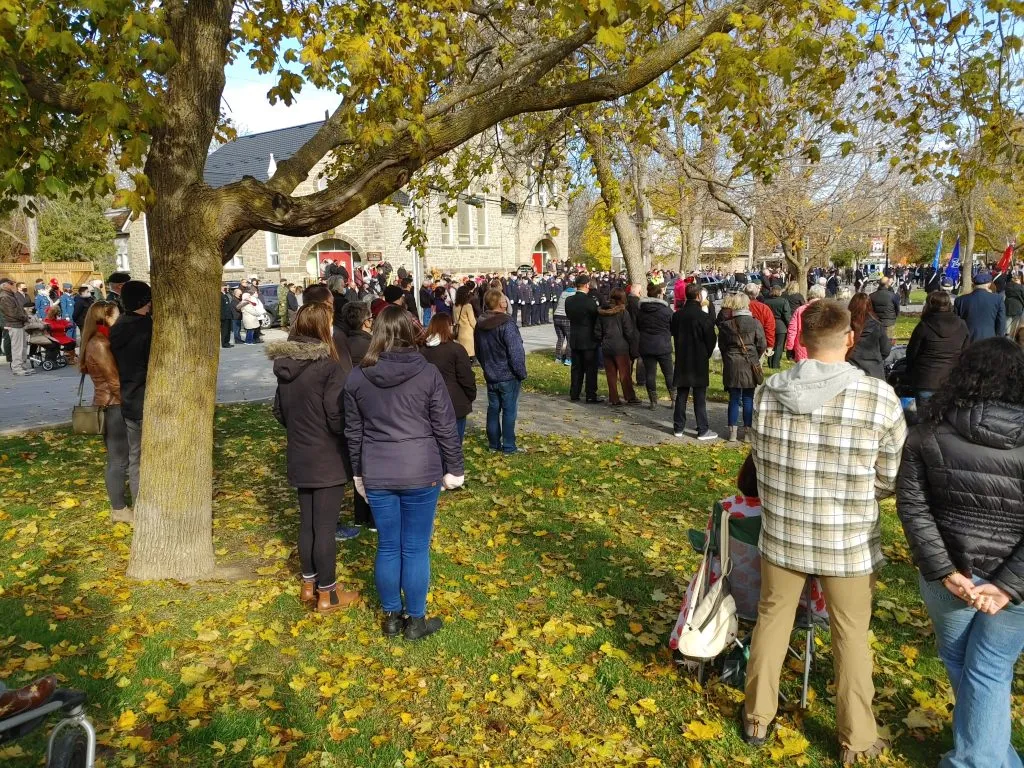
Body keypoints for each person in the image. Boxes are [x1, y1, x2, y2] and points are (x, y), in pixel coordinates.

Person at [743, 300, 906, 763]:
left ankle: (758, 715)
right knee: (850, 636)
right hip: (846, 541)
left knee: (773, 623)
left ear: (801, 341)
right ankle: (855, 738)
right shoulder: (877, 397)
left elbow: (761, 458)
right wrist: (860, 493)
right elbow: (892, 475)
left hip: (787, 533)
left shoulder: (768, 393)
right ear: (849, 339)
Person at [896, 337, 1024, 768]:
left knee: (978, 668)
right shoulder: (926, 435)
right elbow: (912, 504)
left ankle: (977, 760)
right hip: (959, 575)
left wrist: (1001, 586)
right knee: (981, 669)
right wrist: (947, 571)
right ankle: (991, 755)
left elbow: (913, 508)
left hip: (968, 577)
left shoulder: (927, 432)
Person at [343, 306, 464, 640]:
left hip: (379, 470)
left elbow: (353, 433)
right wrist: (454, 468)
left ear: (377, 332)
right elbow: (445, 427)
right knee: (413, 548)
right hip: (419, 470)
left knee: (389, 546)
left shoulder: (357, 376)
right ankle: (414, 619)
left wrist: (358, 474)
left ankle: (393, 616)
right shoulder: (427, 374)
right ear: (411, 334)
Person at [269, 303, 360, 614]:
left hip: (299, 452)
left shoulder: (285, 365)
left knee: (307, 522)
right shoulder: (329, 365)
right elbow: (337, 417)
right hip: (327, 457)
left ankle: (309, 584)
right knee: (324, 526)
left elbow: (280, 410)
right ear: (322, 327)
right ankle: (328, 593)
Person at [79, 301, 133, 524]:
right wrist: (131, 405)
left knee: (121, 458)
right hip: (113, 405)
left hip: (110, 404)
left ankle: (120, 506)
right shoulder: (100, 343)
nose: (119, 316)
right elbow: (114, 381)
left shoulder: (101, 339)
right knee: (118, 460)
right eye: (116, 313)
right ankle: (119, 509)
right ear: (106, 316)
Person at [109, 280, 153, 506]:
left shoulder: (117, 327)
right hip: (146, 398)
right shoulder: (146, 326)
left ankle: (139, 503)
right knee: (151, 456)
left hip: (129, 398)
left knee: (136, 456)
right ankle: (149, 502)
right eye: (147, 300)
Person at [474, 289, 527, 453]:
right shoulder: (506, 323)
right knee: (509, 410)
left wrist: (486, 367)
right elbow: (516, 351)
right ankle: (509, 446)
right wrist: (521, 372)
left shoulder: (480, 323)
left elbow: (478, 350)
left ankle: (493, 445)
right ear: (501, 303)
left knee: (493, 409)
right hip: (507, 374)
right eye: (504, 300)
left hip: (491, 373)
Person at [905, 291, 969, 411]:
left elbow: (912, 353)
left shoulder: (924, 326)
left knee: (924, 420)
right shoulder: (961, 325)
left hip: (927, 379)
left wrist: (911, 370)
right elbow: (966, 353)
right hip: (950, 379)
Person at [671, 282, 717, 440]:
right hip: (698, 359)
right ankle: (702, 429)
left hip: (683, 357)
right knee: (699, 396)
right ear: (698, 296)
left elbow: (674, 334)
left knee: (681, 395)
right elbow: (711, 340)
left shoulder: (677, 316)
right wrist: (706, 353)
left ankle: (678, 427)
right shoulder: (703, 317)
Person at [420, 314, 476, 443]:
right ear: (447, 327)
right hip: (455, 403)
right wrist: (470, 396)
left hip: (430, 403)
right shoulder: (456, 349)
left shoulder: (423, 351)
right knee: (454, 445)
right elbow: (466, 377)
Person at [718, 292, 766, 442]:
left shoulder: (726, 324)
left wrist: (729, 357)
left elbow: (722, 346)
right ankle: (747, 432)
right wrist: (754, 356)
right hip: (750, 362)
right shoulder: (755, 323)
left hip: (732, 362)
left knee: (733, 398)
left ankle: (732, 432)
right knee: (747, 398)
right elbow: (762, 344)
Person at [596, 289, 639, 407]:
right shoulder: (623, 313)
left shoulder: (602, 313)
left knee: (611, 374)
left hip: (607, 346)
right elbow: (628, 331)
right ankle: (629, 396)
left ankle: (614, 398)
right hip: (621, 346)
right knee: (625, 373)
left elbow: (597, 332)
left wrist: (603, 340)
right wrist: (631, 344)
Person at [565, 275, 604, 404]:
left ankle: (574, 393)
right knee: (590, 369)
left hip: (575, 337)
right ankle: (590, 394)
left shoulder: (569, 300)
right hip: (589, 339)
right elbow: (595, 317)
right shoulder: (589, 301)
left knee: (576, 368)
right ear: (587, 285)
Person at [637, 283, 674, 409]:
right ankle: (674, 399)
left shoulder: (641, 310)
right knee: (669, 373)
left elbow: (638, 326)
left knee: (650, 374)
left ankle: (653, 402)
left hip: (647, 345)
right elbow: (673, 326)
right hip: (663, 344)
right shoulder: (666, 310)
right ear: (659, 295)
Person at [846, 292, 891, 380]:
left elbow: (885, 350)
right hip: (873, 372)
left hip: (852, 372)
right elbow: (886, 350)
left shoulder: (845, 326)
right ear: (870, 306)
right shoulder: (878, 325)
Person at [955, 271, 1006, 342]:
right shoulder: (997, 299)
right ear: (988, 285)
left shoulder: (960, 300)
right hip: (989, 339)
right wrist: (999, 340)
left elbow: (956, 323)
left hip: (967, 340)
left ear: (974, 284)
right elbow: (1001, 322)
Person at [785, 283, 825, 362]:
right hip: (821, 347)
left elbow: (792, 330)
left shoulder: (800, 310)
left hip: (802, 346)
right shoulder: (826, 310)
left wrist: (790, 347)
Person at [0, 277, 32, 376]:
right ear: (4, 285)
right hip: (13, 324)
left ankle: (22, 366)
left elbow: (19, 309)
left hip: (19, 323)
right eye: (11, 283)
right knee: (17, 347)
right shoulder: (5, 296)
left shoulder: (12, 295)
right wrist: (25, 318)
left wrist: (25, 316)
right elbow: (12, 313)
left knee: (23, 346)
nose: (13, 285)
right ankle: (17, 368)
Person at [762, 286, 792, 369]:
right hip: (781, 326)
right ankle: (775, 364)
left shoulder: (766, 301)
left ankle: (770, 362)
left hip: (768, 325)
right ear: (779, 291)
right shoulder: (783, 301)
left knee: (770, 345)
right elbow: (787, 316)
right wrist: (789, 326)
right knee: (779, 346)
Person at [744, 283, 776, 360]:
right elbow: (769, 327)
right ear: (757, 293)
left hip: (743, 341)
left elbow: (769, 326)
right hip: (758, 342)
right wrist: (770, 345)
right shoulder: (763, 308)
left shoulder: (739, 306)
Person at [870, 276, 900, 341]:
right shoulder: (893, 295)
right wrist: (894, 317)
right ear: (887, 283)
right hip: (889, 322)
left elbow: (870, 310)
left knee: (877, 342)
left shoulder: (871, 296)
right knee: (889, 341)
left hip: (876, 322)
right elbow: (897, 309)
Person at [552, 279, 575, 366]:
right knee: (569, 339)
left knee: (560, 338)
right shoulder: (574, 294)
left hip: (556, 316)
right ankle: (568, 359)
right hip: (566, 317)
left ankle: (558, 358)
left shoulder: (563, 293)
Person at [452, 285, 477, 362]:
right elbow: (472, 321)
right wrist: (477, 328)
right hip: (468, 332)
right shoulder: (468, 306)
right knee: (469, 353)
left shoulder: (455, 306)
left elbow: (454, 319)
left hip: (459, 331)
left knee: (462, 352)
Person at [219, 284, 234, 349]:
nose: (226, 288)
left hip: (228, 315)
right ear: (221, 287)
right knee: (224, 330)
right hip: (224, 316)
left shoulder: (225, 295)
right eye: (224, 287)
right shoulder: (220, 295)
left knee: (228, 330)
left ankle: (227, 342)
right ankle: (224, 343)